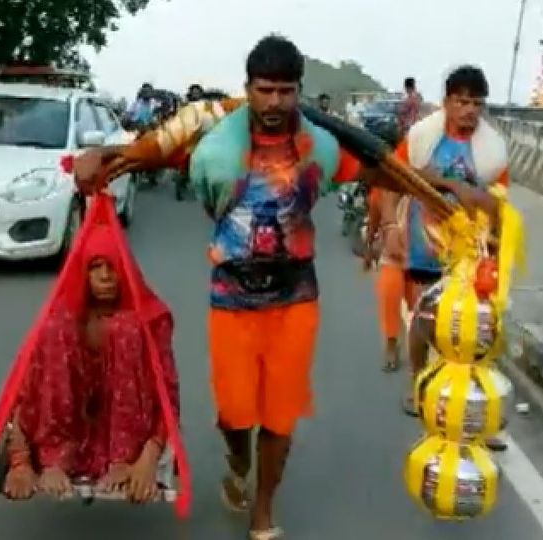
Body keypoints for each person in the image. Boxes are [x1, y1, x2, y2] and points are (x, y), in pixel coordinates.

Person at [72, 35, 403, 539]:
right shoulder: (216, 145)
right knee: (234, 415)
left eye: (286, 91)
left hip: (297, 298)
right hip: (231, 298)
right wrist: (103, 155)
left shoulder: (321, 146)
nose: (275, 102)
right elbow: (153, 155)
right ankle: (238, 465)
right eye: (265, 90)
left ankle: (263, 510)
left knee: (281, 413)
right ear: (248, 89)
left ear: (299, 92)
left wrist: (437, 186)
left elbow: (377, 169)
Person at [2, 223, 180, 502]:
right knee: (55, 328)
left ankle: (122, 458)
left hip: (126, 441)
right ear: (82, 273)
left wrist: (147, 460)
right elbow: (25, 396)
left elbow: (168, 399)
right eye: (96, 266)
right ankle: (55, 456)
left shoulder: (149, 321)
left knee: (127, 330)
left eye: (113, 266)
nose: (106, 276)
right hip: (68, 435)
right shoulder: (61, 322)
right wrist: (21, 463)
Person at [385, 66, 509, 452]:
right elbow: (395, 174)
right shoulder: (424, 137)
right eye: (462, 101)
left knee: (473, 335)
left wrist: (497, 252)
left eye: (477, 103)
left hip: (471, 255)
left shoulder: (492, 152)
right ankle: (419, 387)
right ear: (447, 102)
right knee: (423, 322)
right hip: (425, 246)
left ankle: (475, 418)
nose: (470, 110)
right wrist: (392, 225)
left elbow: (497, 203)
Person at [363, 187, 411, 371]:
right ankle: (391, 345)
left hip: (422, 259)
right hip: (392, 256)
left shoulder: (427, 186)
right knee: (389, 295)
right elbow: (374, 218)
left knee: (420, 311)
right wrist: (368, 248)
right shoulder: (383, 189)